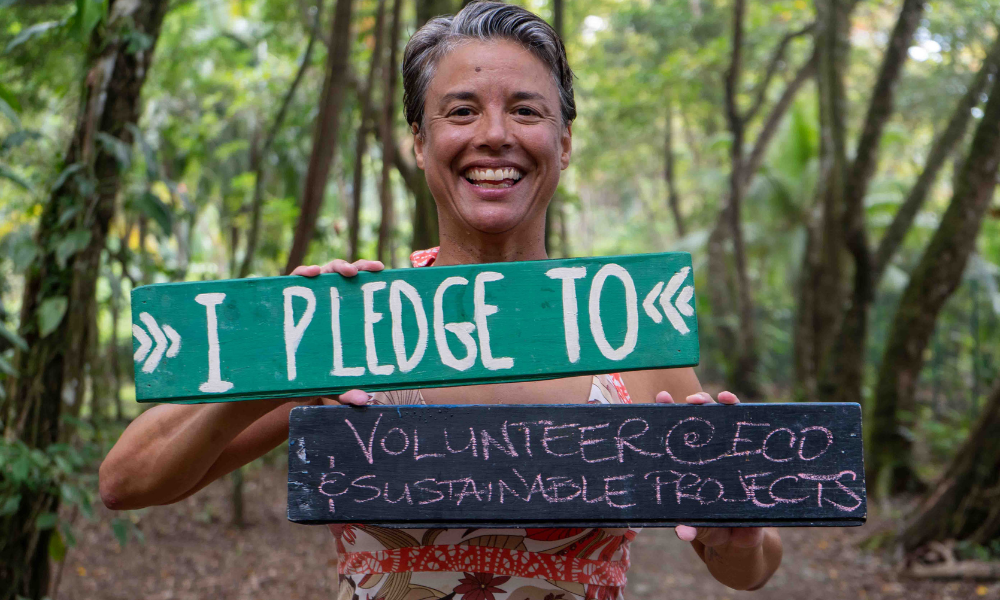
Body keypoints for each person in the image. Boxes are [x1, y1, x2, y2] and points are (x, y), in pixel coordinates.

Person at [99, 2, 782, 598]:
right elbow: (126, 481)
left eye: (526, 110)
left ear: (564, 143)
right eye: (461, 112)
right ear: (420, 144)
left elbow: (748, 566)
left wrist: (739, 538)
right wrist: (286, 364)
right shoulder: (359, 329)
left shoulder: (623, 329)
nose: (494, 135)